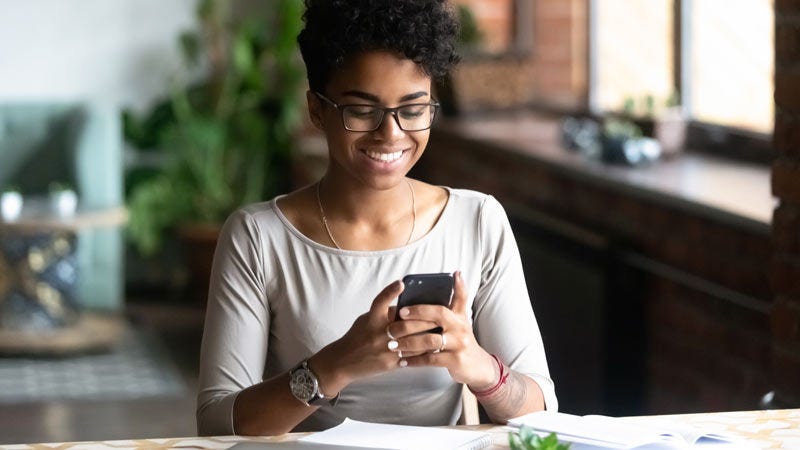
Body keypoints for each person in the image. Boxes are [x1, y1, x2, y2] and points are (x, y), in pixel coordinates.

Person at [196, 0, 557, 436]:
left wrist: (477, 365)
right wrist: (334, 365)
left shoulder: (478, 221)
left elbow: (540, 415)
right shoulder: (258, 238)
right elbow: (217, 423)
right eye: (362, 110)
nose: (391, 133)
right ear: (317, 110)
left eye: (413, 108)